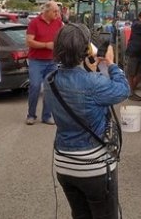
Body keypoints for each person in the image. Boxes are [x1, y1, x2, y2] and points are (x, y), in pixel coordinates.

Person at [44, 23, 130, 219]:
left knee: (80, 215)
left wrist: (88, 68)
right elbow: (123, 90)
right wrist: (111, 64)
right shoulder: (94, 83)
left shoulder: (49, 80)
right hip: (94, 166)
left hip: (64, 163)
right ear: (86, 49)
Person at [26, 1, 63, 125]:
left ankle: (47, 116)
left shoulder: (58, 22)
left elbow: (62, 37)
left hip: (52, 61)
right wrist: (46, 45)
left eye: (58, 11)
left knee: (50, 88)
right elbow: (29, 42)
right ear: (46, 11)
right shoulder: (34, 23)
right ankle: (31, 115)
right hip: (36, 61)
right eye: (55, 11)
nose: (57, 14)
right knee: (35, 86)